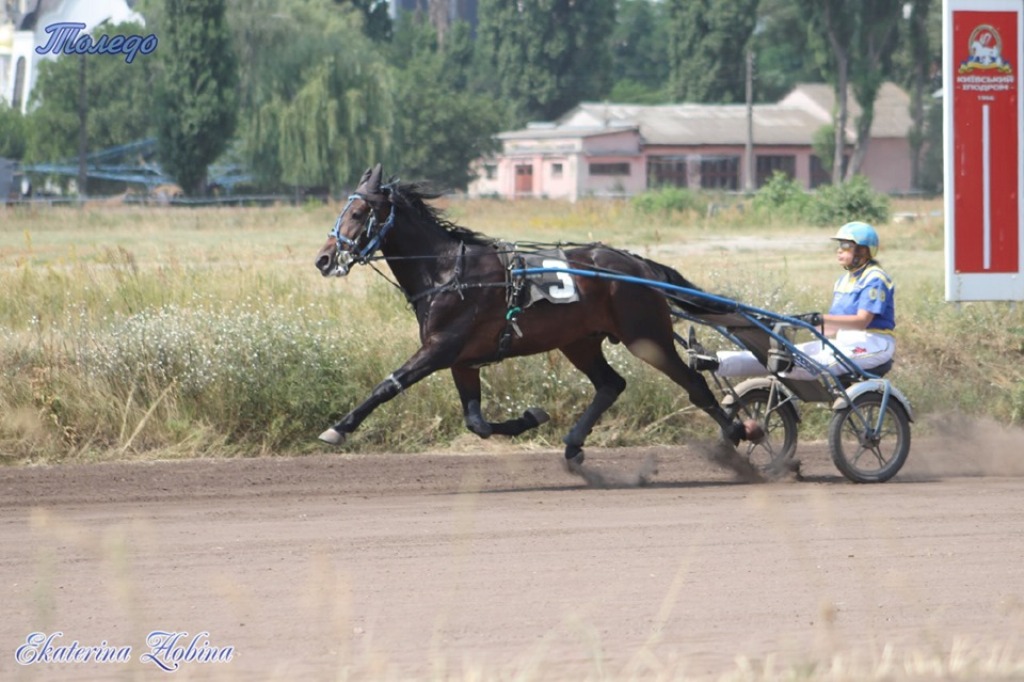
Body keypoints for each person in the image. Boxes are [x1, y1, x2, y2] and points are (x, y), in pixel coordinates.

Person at [700, 221, 896, 381]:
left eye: (845, 246)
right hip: (843, 341)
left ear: (863, 250)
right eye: (839, 246)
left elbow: (862, 321)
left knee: (806, 363)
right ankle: (716, 361)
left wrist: (819, 318)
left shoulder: (875, 278)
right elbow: (833, 327)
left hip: (874, 342)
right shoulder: (843, 281)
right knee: (778, 355)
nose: (839, 250)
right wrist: (800, 327)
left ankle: (786, 367)